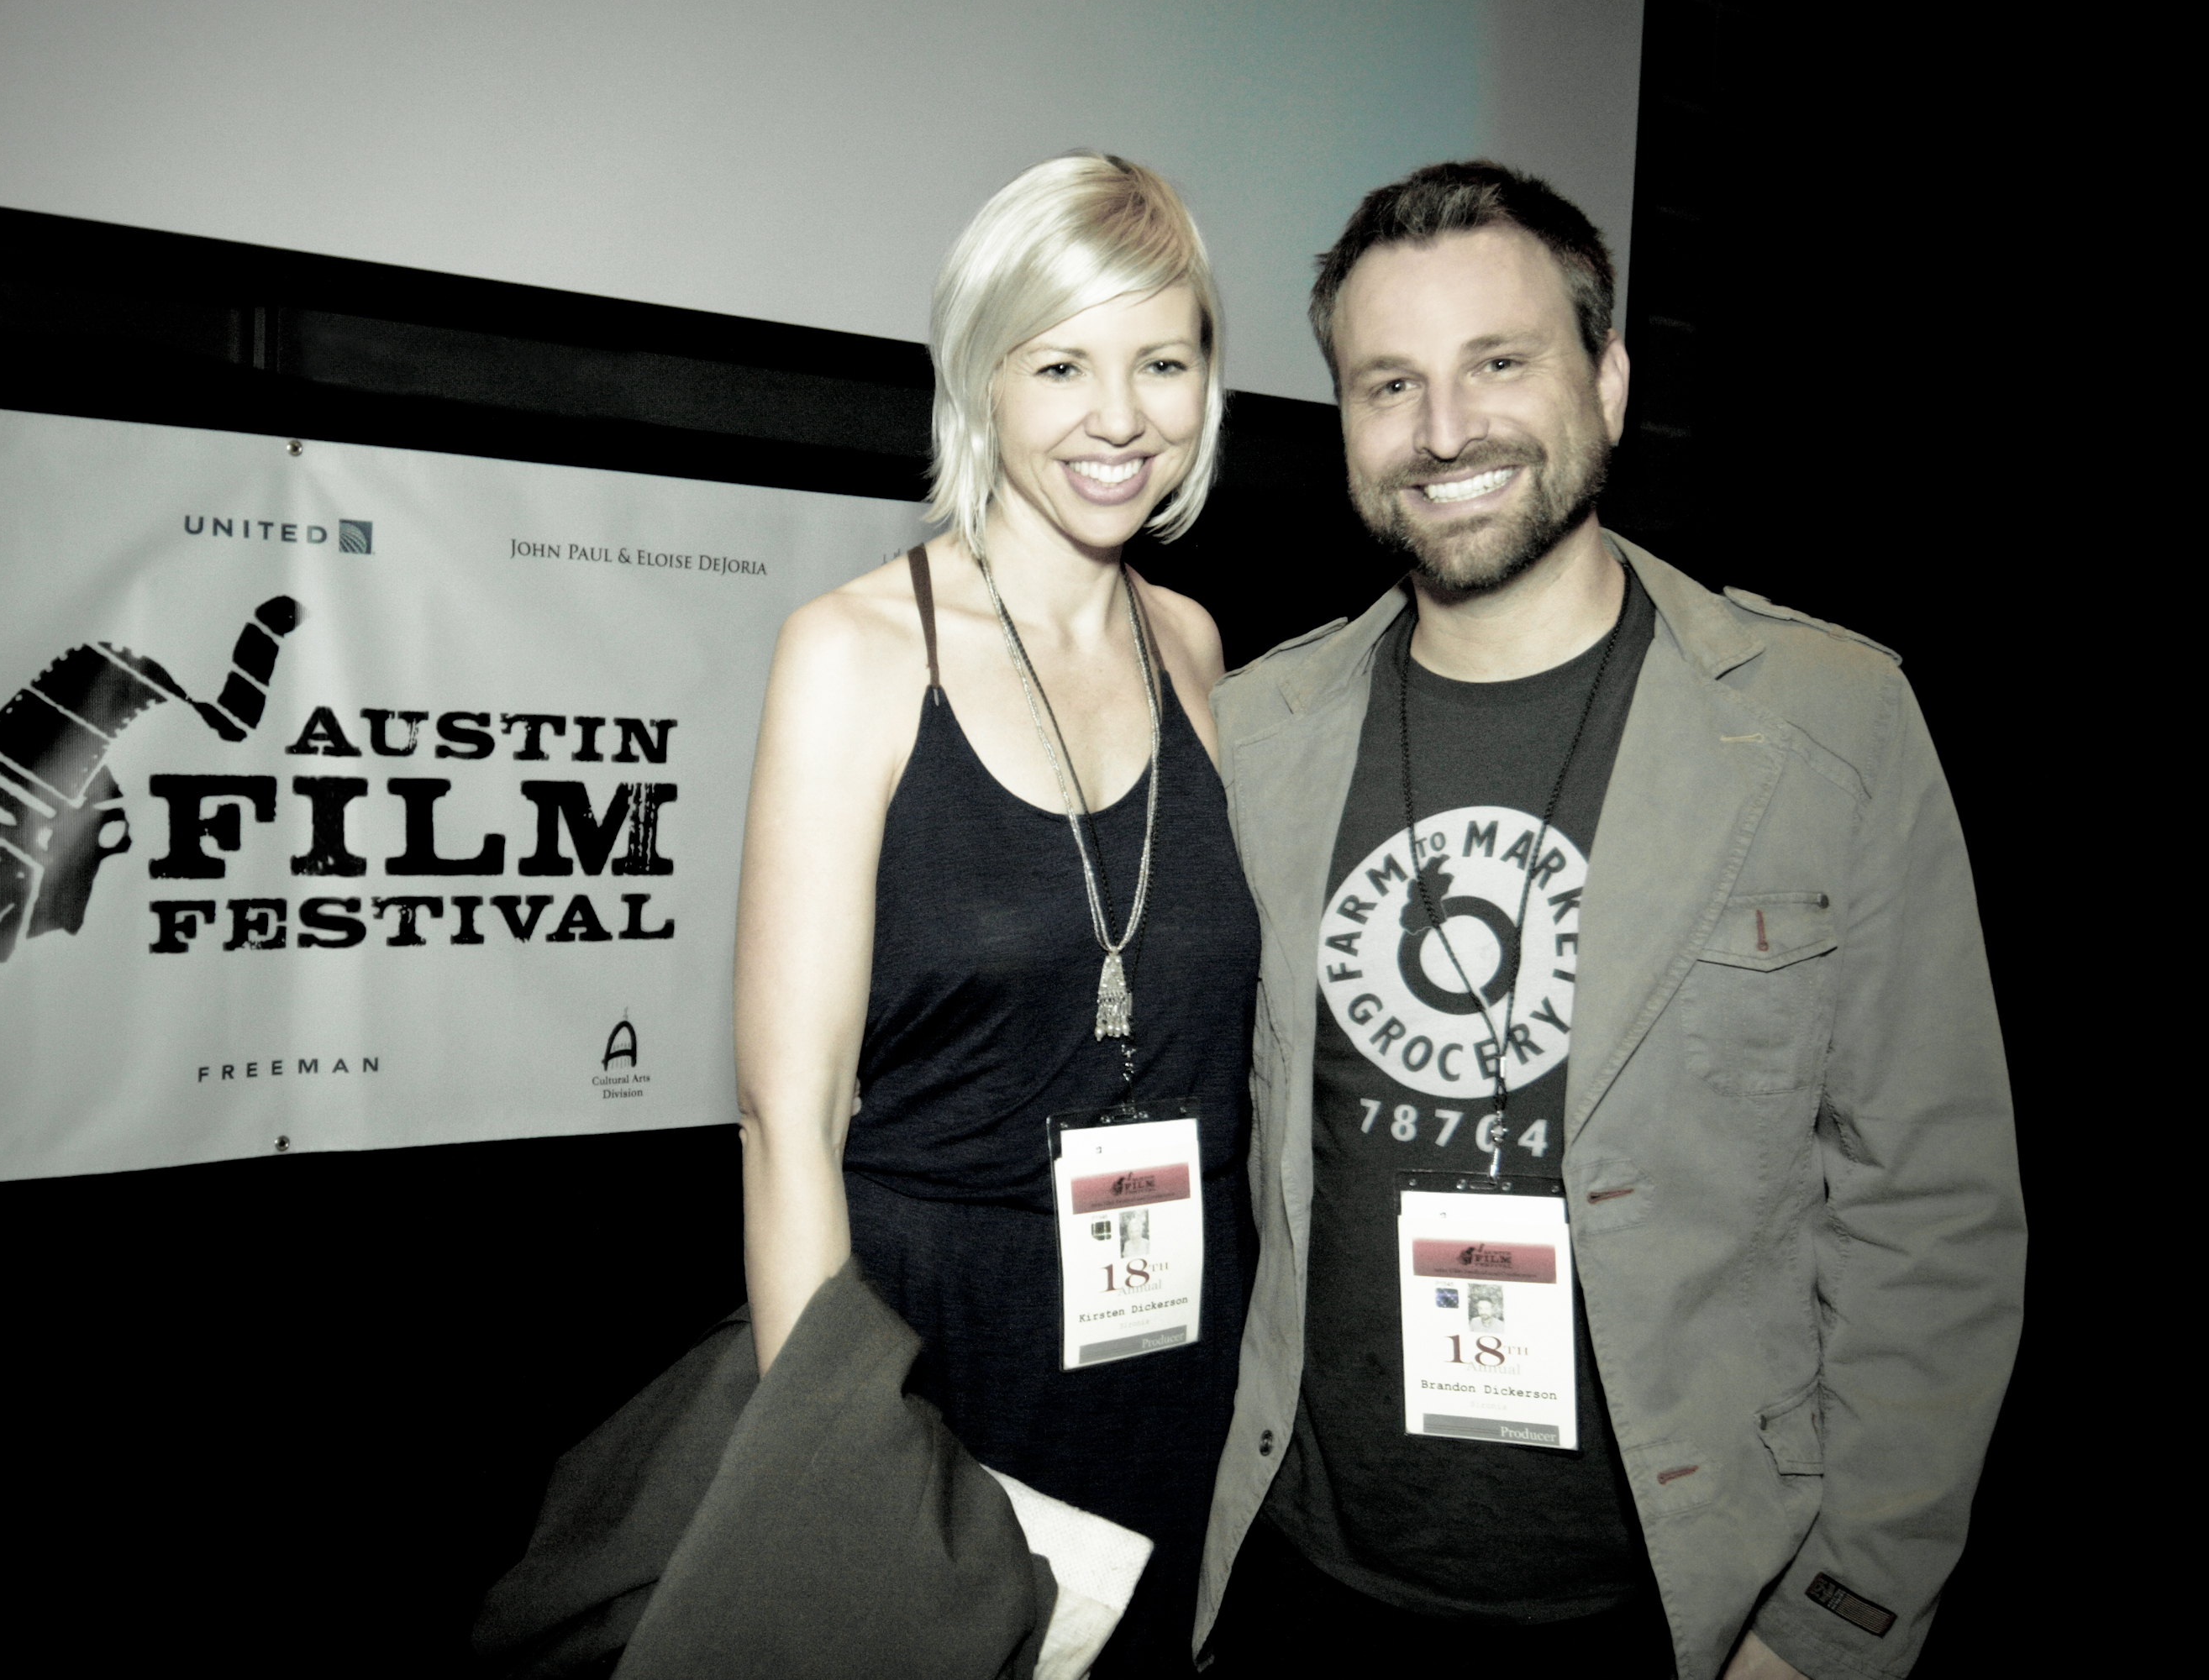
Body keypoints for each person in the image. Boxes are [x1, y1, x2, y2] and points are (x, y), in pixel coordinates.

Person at [1195, 161, 2022, 1680]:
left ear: (1612, 379)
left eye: (1500, 363)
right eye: (1391, 383)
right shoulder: (1256, 735)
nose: (1447, 431)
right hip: (1306, 1585)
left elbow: (1935, 1214)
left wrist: (1836, 1625)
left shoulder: (1831, 725)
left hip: (1680, 1615)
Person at [734, 152, 1260, 1675]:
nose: (1120, 417)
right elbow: (786, 1120)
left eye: (1163, 361)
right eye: (1063, 364)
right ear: (982, 377)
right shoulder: (853, 649)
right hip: (930, 1356)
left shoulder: (1198, 644)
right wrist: (832, 1482)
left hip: (1177, 1343)